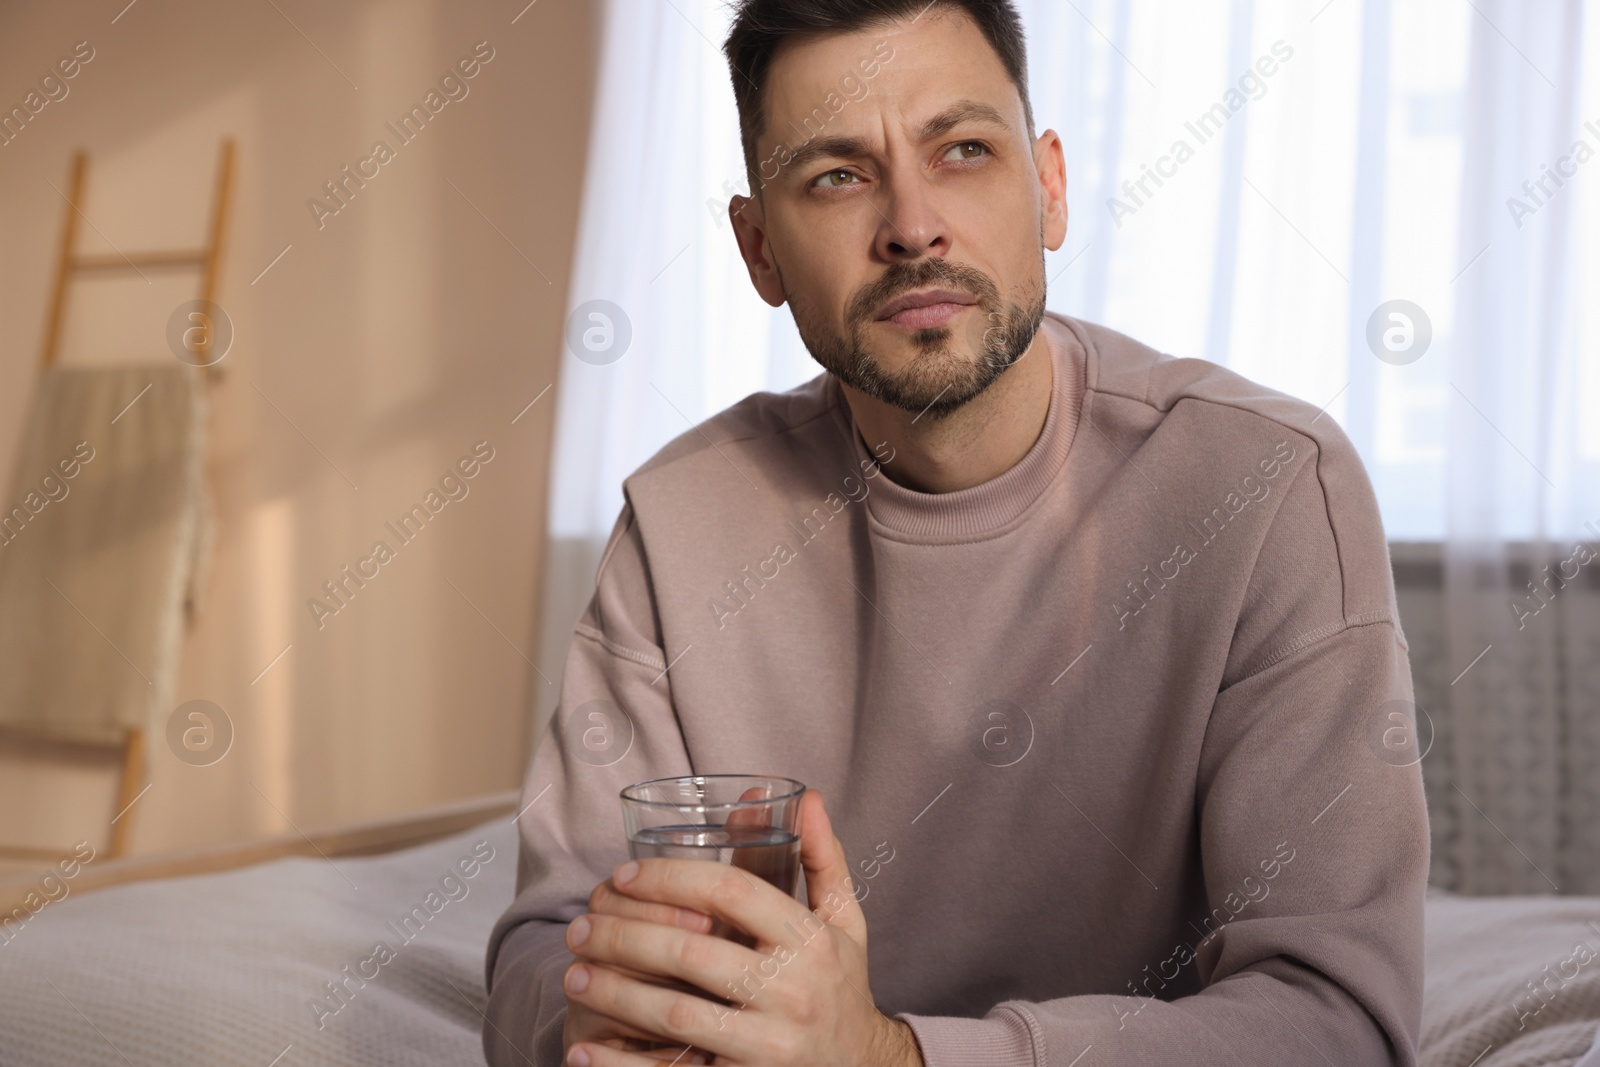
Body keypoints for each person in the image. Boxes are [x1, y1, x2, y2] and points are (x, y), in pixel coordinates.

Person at [483, 1, 1429, 1064]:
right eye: (836, 174)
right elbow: (546, 936)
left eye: (964, 150)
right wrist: (598, 1020)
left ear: (1049, 186)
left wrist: (892, 1053)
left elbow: (1336, 1018)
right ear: (759, 250)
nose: (913, 224)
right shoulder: (678, 519)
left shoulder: (1268, 485)